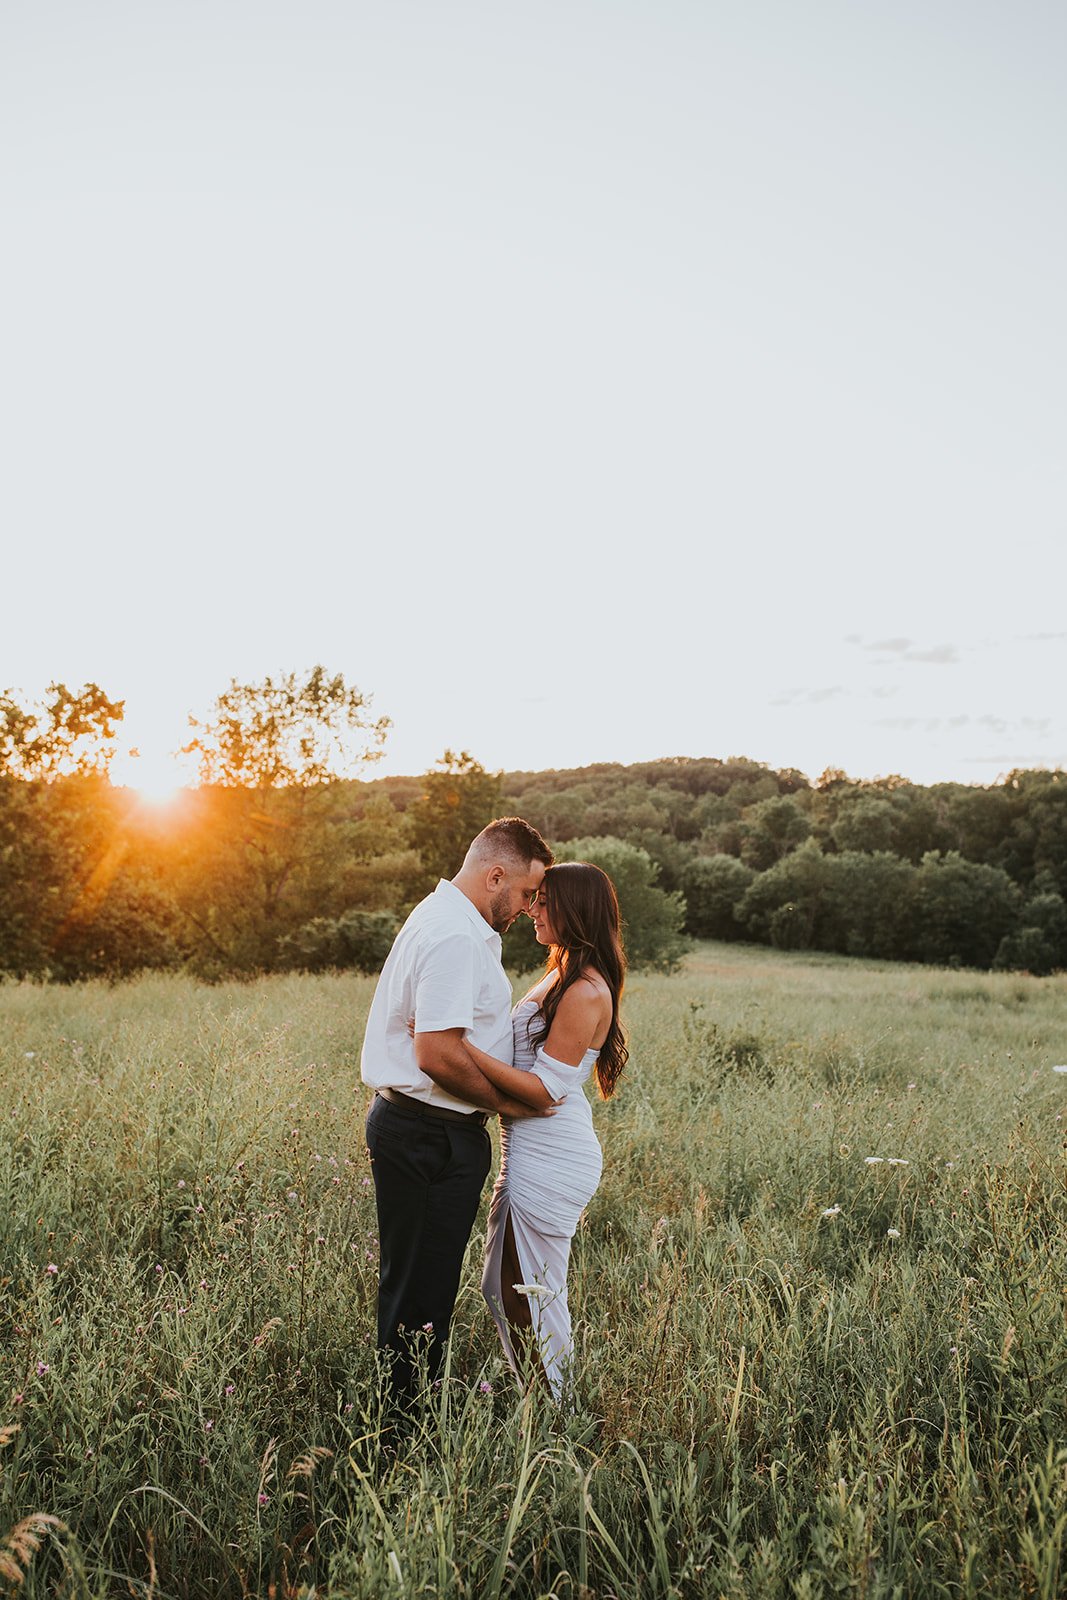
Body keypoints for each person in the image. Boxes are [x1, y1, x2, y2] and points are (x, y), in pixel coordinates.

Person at [361, 816, 553, 1409]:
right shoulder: (454, 936)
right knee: (421, 1294)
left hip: (427, 1130)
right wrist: (510, 1106)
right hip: (430, 1135)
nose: (527, 909)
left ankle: (407, 1416)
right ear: (495, 875)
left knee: (422, 1285)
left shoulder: (447, 919)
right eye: (524, 893)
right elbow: (438, 1052)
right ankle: (402, 1433)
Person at [453, 861, 628, 1401]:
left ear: (575, 910)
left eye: (544, 901)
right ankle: (546, 1396)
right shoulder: (563, 974)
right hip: (531, 1146)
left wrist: (458, 1049)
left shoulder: (584, 991)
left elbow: (545, 1090)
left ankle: (555, 1408)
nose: (532, 908)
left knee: (526, 1291)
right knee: (510, 1287)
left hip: (551, 1150)